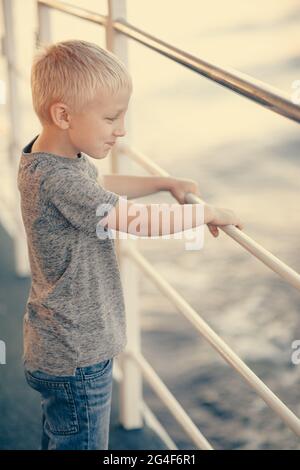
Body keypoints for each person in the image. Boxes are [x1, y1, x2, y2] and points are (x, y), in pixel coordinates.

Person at [18, 40, 243, 450]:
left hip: (57, 344)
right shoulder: (60, 179)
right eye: (111, 118)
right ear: (63, 115)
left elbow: (100, 190)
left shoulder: (50, 159)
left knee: (62, 438)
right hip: (77, 356)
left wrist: (162, 183)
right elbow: (133, 221)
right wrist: (205, 213)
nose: (121, 130)